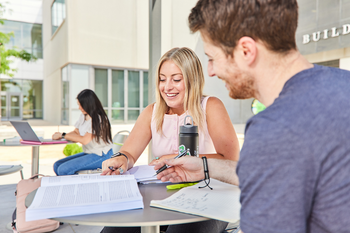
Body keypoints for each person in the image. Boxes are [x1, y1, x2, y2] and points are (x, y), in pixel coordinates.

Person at [155, 0, 350, 233]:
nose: (211, 71)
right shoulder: (343, 85)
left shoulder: (275, 128)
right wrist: (207, 168)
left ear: (246, 50)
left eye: (212, 58)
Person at [100, 47, 240, 233]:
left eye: (176, 79)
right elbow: (129, 152)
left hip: (209, 194)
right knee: (117, 229)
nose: (167, 87)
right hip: (164, 194)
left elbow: (232, 160)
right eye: (162, 79)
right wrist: (122, 159)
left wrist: (174, 157)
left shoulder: (211, 106)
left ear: (192, 79)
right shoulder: (152, 111)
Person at [53, 89, 113, 176]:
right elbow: (76, 132)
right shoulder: (83, 116)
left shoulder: (98, 118)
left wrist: (64, 135)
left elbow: (85, 140)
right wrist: (60, 135)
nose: (79, 108)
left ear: (89, 104)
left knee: (63, 170)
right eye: (79, 105)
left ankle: (74, 188)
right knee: (57, 165)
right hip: (89, 153)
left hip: (102, 155)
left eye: (81, 105)